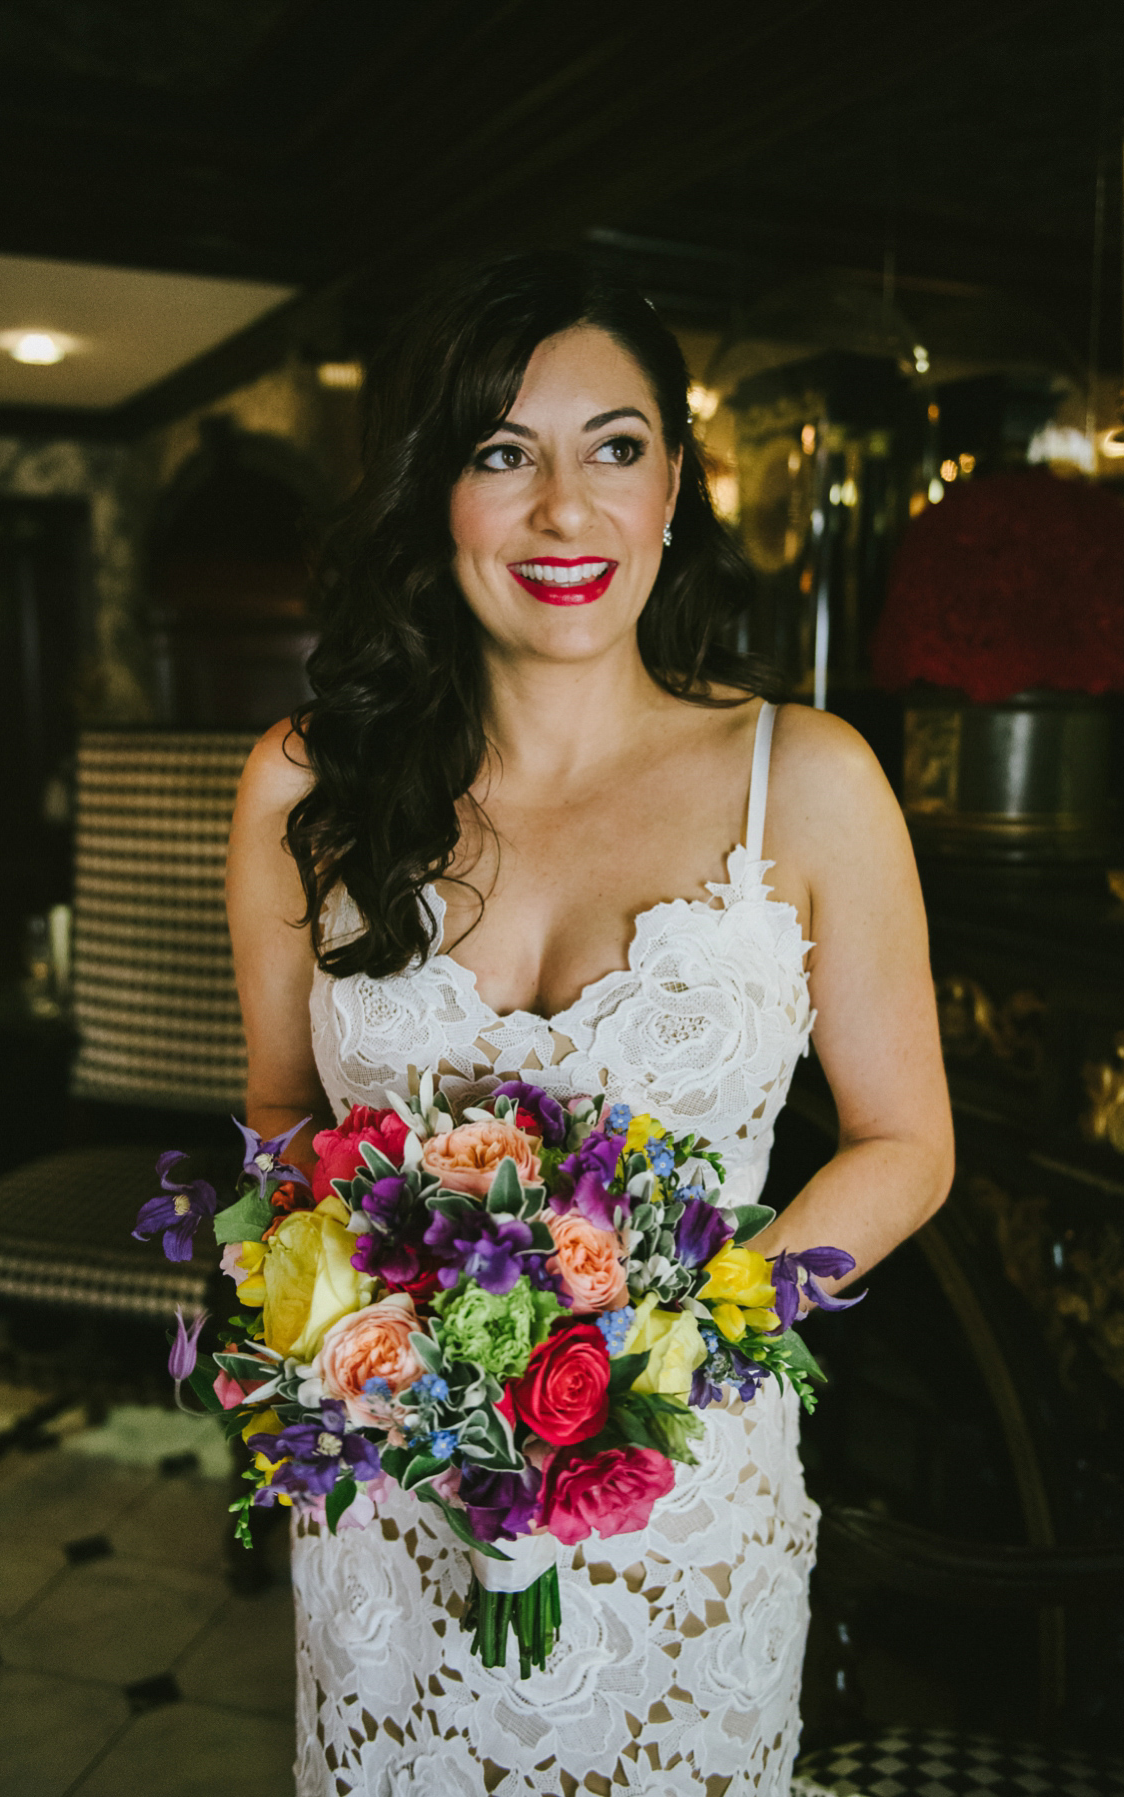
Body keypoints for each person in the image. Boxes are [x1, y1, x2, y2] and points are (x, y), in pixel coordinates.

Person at [226, 254, 954, 1797]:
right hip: (395, 1514)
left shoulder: (809, 779)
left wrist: (691, 1339)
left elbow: (907, 1144)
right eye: (505, 454)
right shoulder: (306, 784)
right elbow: (281, 1117)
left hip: (679, 1499)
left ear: (675, 486)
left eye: (613, 448)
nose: (567, 511)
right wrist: (382, 1341)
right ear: (439, 490)